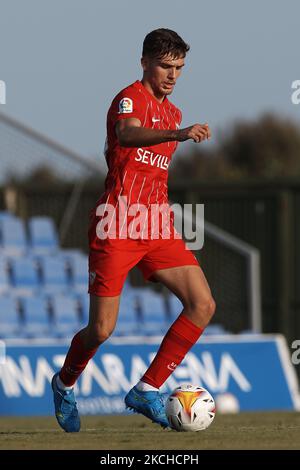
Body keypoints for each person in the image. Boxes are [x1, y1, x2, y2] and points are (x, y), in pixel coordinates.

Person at [51, 28, 215, 432]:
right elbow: (126, 134)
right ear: (144, 62)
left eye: (179, 67)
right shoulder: (129, 99)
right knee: (101, 329)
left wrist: (176, 130)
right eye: (165, 65)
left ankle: (147, 388)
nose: (172, 75)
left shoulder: (173, 112)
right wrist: (178, 134)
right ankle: (64, 381)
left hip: (157, 225)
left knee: (203, 304)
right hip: (117, 223)